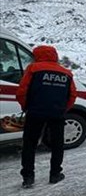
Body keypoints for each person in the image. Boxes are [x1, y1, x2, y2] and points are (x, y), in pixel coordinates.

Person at [16, 45, 77, 188]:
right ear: (54, 55)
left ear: (37, 55)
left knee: (30, 144)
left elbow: (21, 91)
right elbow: (72, 95)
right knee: (57, 144)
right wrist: (62, 109)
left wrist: (26, 106)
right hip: (57, 113)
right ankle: (55, 174)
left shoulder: (33, 69)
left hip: (35, 112)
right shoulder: (66, 73)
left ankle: (28, 177)